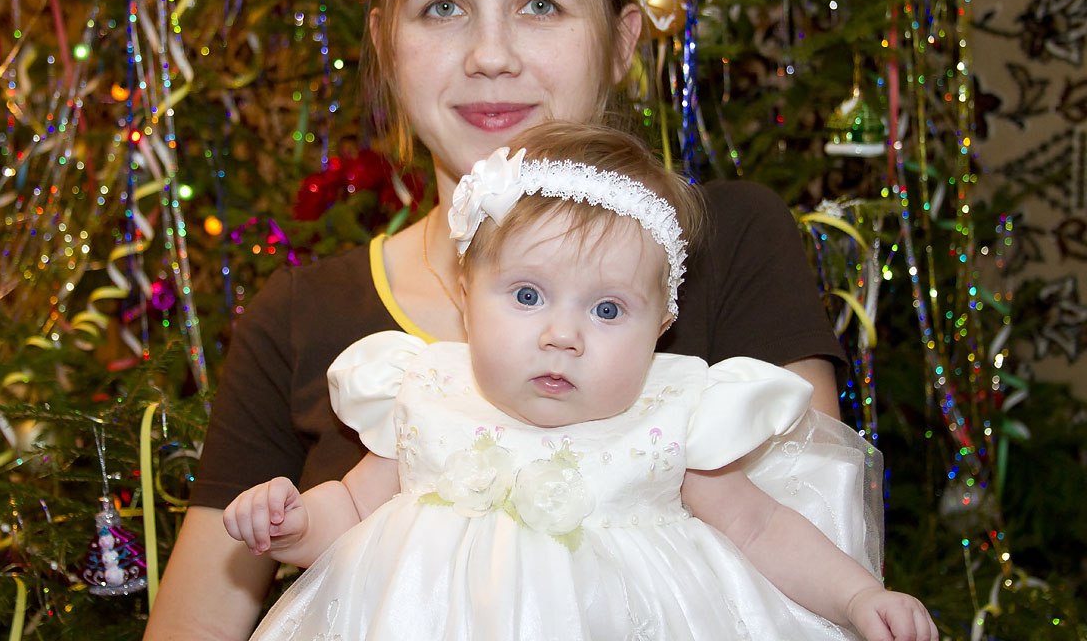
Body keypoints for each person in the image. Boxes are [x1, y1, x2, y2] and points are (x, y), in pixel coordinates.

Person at [145, 0, 848, 638]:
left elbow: (813, 574)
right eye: (442, 7)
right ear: (386, 43)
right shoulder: (301, 318)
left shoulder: (726, 243)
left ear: (621, 41)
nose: (489, 56)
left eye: (539, 4)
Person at [222, 124, 935, 641]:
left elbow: (763, 526)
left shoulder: (669, 419)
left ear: (661, 326)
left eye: (607, 310)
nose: (562, 334)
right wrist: (294, 523)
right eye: (528, 295)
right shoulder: (429, 393)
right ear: (466, 296)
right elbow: (350, 509)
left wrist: (857, 596)